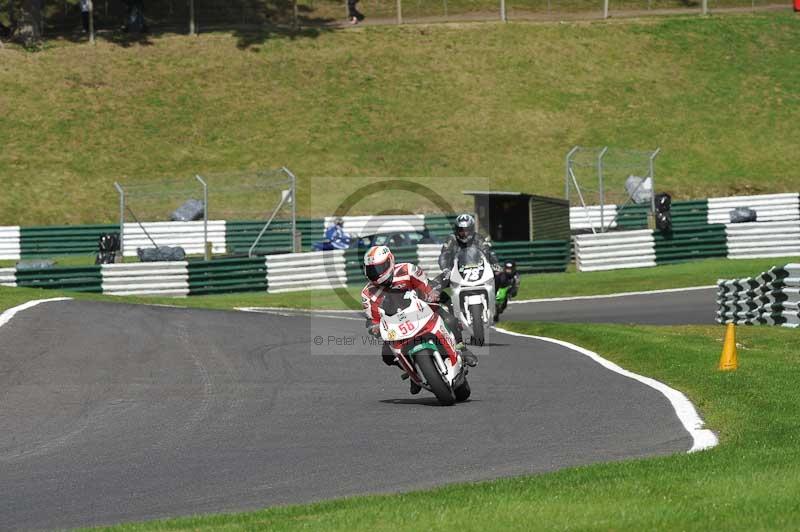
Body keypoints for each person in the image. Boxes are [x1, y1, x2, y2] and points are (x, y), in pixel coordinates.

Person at [361, 245, 477, 394]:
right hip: (396, 326)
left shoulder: (407, 270)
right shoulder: (367, 293)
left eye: (379, 268)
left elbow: (426, 286)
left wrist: (432, 293)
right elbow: (373, 318)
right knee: (387, 355)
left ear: (390, 261)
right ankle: (412, 371)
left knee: (449, 320)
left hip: (422, 311)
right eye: (372, 270)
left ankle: (462, 348)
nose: (376, 274)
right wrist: (374, 327)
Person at [438, 213, 502, 276]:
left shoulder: (478, 238)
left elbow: (488, 251)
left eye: (466, 230)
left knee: (497, 276)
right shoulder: (452, 239)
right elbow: (444, 255)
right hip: (455, 272)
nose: (464, 233)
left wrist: (495, 263)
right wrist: (445, 269)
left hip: (478, 270)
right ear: (456, 229)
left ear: (471, 229)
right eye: (461, 230)